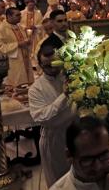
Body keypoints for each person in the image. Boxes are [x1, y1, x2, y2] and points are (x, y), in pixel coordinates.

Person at [28, 45, 75, 187]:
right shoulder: (36, 89)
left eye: (55, 64)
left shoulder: (71, 78)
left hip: (75, 132)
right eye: (47, 66)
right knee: (59, 181)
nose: (52, 68)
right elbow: (41, 117)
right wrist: (63, 96)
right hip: (54, 138)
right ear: (40, 65)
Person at [0, 7, 33, 87]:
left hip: (24, 56)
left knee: (25, 81)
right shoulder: (1, 29)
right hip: (13, 60)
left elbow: (24, 40)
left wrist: (27, 42)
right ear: (9, 16)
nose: (20, 17)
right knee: (15, 83)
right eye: (17, 15)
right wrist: (18, 44)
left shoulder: (19, 26)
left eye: (20, 15)